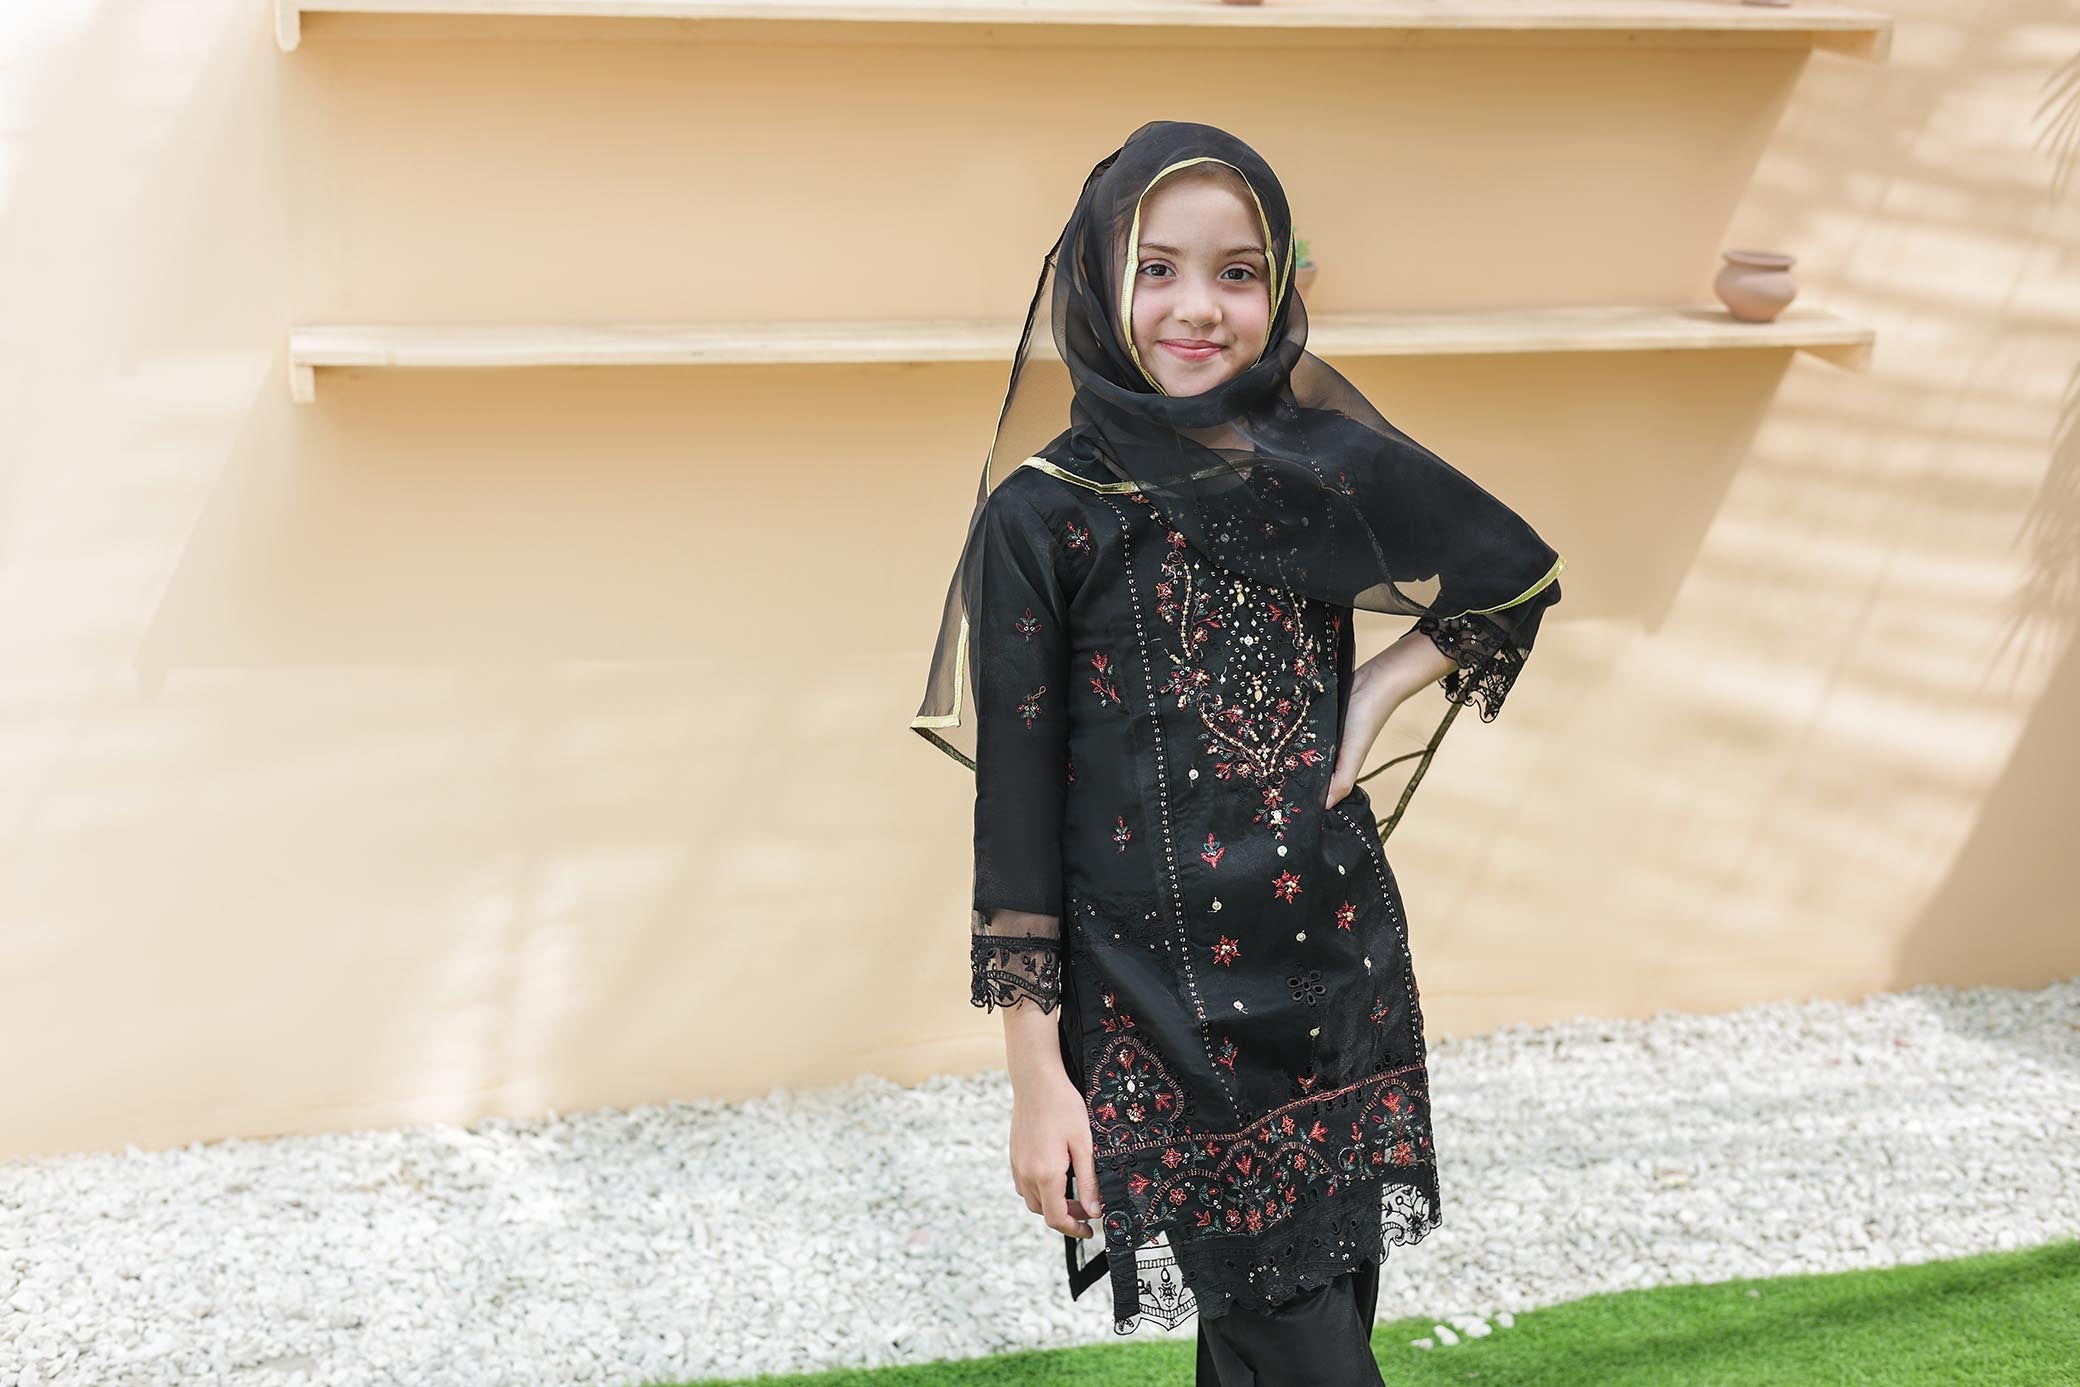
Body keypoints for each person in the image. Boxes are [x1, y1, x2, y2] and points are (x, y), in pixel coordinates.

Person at [910, 120, 1566, 1384]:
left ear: (1278, 292)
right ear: (1097, 287)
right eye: (1155, 268)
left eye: (1236, 270)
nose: (1196, 307)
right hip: (1160, 1020)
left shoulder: (1310, 470)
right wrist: (1037, 1081)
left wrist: (1371, 692)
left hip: (1336, 978)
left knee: (1281, 1351)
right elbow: (1018, 831)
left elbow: (1509, 574)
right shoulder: (1044, 517)